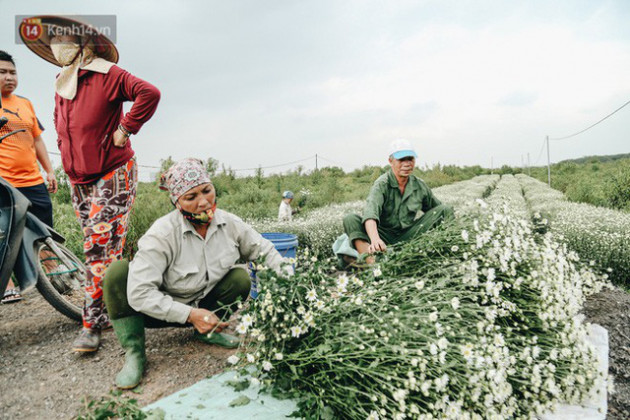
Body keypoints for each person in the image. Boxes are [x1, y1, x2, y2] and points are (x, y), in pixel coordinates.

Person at [20, 16, 161, 352]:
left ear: (84, 44)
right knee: (105, 250)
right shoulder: (62, 81)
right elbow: (62, 125)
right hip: (78, 178)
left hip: (113, 170)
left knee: (96, 247)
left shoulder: (108, 75)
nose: (57, 44)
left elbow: (149, 93)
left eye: (64, 38)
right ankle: (119, 307)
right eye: (53, 39)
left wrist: (125, 129)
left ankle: (90, 325)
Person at [102, 158, 291, 389]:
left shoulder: (230, 224)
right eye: (191, 197)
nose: (203, 202)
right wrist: (190, 315)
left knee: (240, 278)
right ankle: (134, 352)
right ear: (177, 203)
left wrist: (293, 284)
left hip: (205, 305)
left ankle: (209, 331)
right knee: (118, 273)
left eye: (206, 191)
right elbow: (140, 294)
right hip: (158, 313)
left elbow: (264, 250)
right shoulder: (162, 234)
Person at [0, 50, 58, 304]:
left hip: (33, 180)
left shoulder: (25, 103)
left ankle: (58, 276)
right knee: (4, 233)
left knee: (46, 231)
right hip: (4, 183)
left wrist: (49, 170)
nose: (9, 77)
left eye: (12, 72)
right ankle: (8, 284)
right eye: (2, 72)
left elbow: (37, 138)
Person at [342, 139, 454, 264]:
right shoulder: (382, 184)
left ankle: (445, 253)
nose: (407, 164)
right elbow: (370, 215)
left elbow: (437, 211)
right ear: (391, 161)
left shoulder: (419, 186)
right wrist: (375, 240)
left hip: (409, 235)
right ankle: (372, 263)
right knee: (350, 219)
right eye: (401, 160)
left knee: (446, 210)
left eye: (410, 159)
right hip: (382, 236)